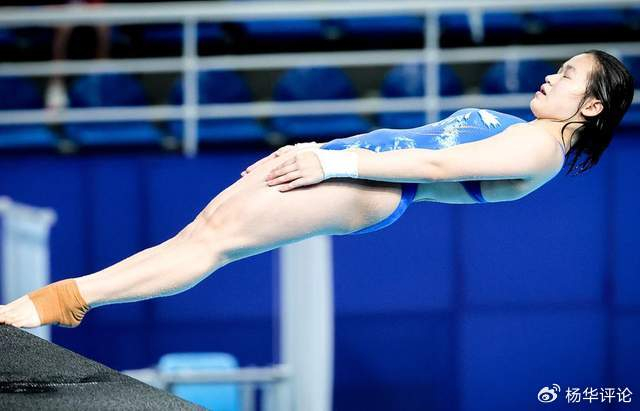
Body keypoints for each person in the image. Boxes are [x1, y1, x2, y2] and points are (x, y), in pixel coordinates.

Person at [0, 49, 634, 329]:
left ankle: (60, 301)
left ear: (593, 106)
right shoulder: (529, 132)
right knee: (202, 236)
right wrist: (324, 152)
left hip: (367, 184)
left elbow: (437, 166)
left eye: (568, 75)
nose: (551, 77)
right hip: (353, 169)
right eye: (558, 68)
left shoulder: (541, 148)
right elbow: (408, 143)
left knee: (211, 244)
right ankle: (59, 301)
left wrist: (332, 164)